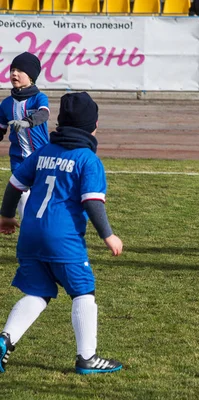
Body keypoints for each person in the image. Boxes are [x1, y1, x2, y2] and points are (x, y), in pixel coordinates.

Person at [0, 92, 124, 375]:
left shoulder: (44, 152)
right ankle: (87, 358)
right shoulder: (87, 159)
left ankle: (4, 340)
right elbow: (92, 201)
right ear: (91, 126)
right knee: (83, 292)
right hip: (62, 239)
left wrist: (6, 216)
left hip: (30, 235)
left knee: (38, 292)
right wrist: (108, 235)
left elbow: (14, 184)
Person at [0, 52, 50, 218]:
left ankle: (43, 226)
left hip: (41, 156)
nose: (14, 73)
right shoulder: (6, 103)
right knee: (21, 193)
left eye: (20, 70)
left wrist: (27, 122)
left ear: (31, 76)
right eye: (12, 70)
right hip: (18, 158)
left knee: (42, 194)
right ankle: (28, 228)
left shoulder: (39, 98)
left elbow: (44, 114)